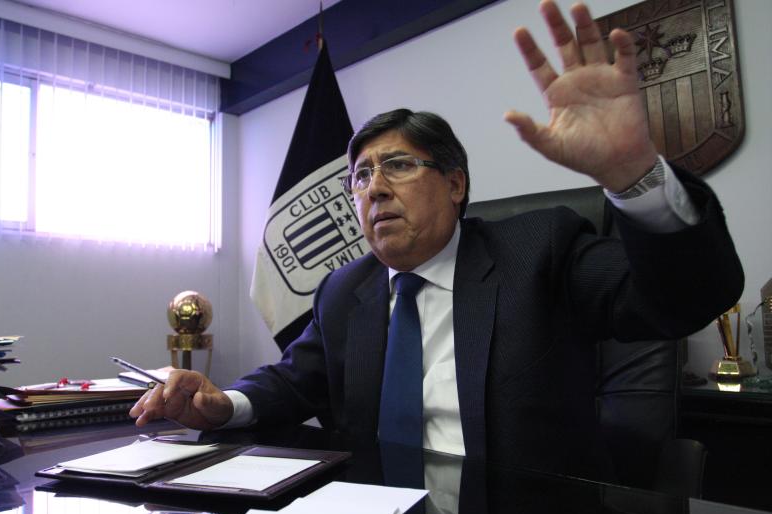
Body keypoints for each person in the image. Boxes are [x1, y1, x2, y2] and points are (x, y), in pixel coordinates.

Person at [131, 1, 743, 480]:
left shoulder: (541, 249)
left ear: (455, 184)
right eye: (360, 177)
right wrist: (223, 404)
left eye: (397, 166)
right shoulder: (343, 290)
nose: (373, 188)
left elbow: (686, 298)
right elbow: (294, 381)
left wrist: (635, 175)